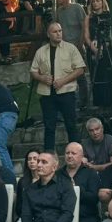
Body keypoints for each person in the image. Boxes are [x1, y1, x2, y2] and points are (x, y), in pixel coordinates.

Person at [30, 22, 86, 151]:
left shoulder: (70, 48)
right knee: (49, 127)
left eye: (60, 31)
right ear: (48, 34)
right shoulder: (41, 51)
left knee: (71, 124)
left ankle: (77, 153)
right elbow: (33, 71)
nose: (58, 34)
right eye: (55, 32)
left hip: (67, 92)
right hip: (47, 94)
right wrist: (42, 78)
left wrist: (63, 81)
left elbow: (80, 69)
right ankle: (48, 154)